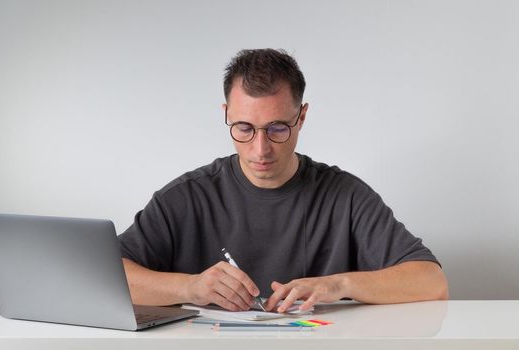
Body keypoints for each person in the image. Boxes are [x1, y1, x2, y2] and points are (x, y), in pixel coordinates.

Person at [118, 48, 449, 313]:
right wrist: (189, 288)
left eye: (277, 128)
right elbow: (108, 276)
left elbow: (431, 282)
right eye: (244, 128)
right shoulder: (186, 197)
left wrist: (337, 285)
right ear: (226, 114)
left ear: (301, 117)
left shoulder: (345, 197)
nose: (260, 149)